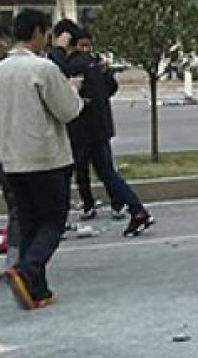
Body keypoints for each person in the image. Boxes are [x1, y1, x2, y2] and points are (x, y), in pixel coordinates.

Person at [0, 9, 83, 309]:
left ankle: (37, 289)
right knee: (53, 222)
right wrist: (74, 91)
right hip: (46, 158)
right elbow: (68, 110)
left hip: (11, 158)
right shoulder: (43, 69)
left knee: (30, 223)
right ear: (39, 33)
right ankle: (27, 270)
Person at [52, 20, 155, 236]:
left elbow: (53, 69)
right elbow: (108, 87)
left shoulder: (73, 63)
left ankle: (55, 223)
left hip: (82, 132)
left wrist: (58, 49)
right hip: (99, 129)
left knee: (63, 175)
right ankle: (138, 211)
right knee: (108, 174)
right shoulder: (92, 62)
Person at [0, 17, 20, 281]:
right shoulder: (0, 71)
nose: (3, 44)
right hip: (2, 147)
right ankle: (15, 262)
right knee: (17, 204)